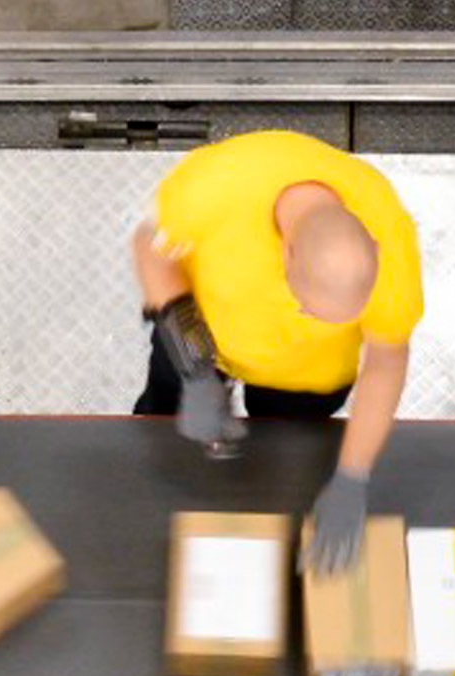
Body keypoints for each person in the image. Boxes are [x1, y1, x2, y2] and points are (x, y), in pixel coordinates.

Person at [130, 128, 419, 571]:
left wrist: (351, 477)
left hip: (306, 377)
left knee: (286, 468)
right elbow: (150, 251)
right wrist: (196, 369)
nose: (313, 321)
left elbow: (384, 361)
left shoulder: (392, 239)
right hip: (201, 334)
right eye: (309, 309)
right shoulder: (215, 187)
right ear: (284, 254)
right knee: (162, 436)